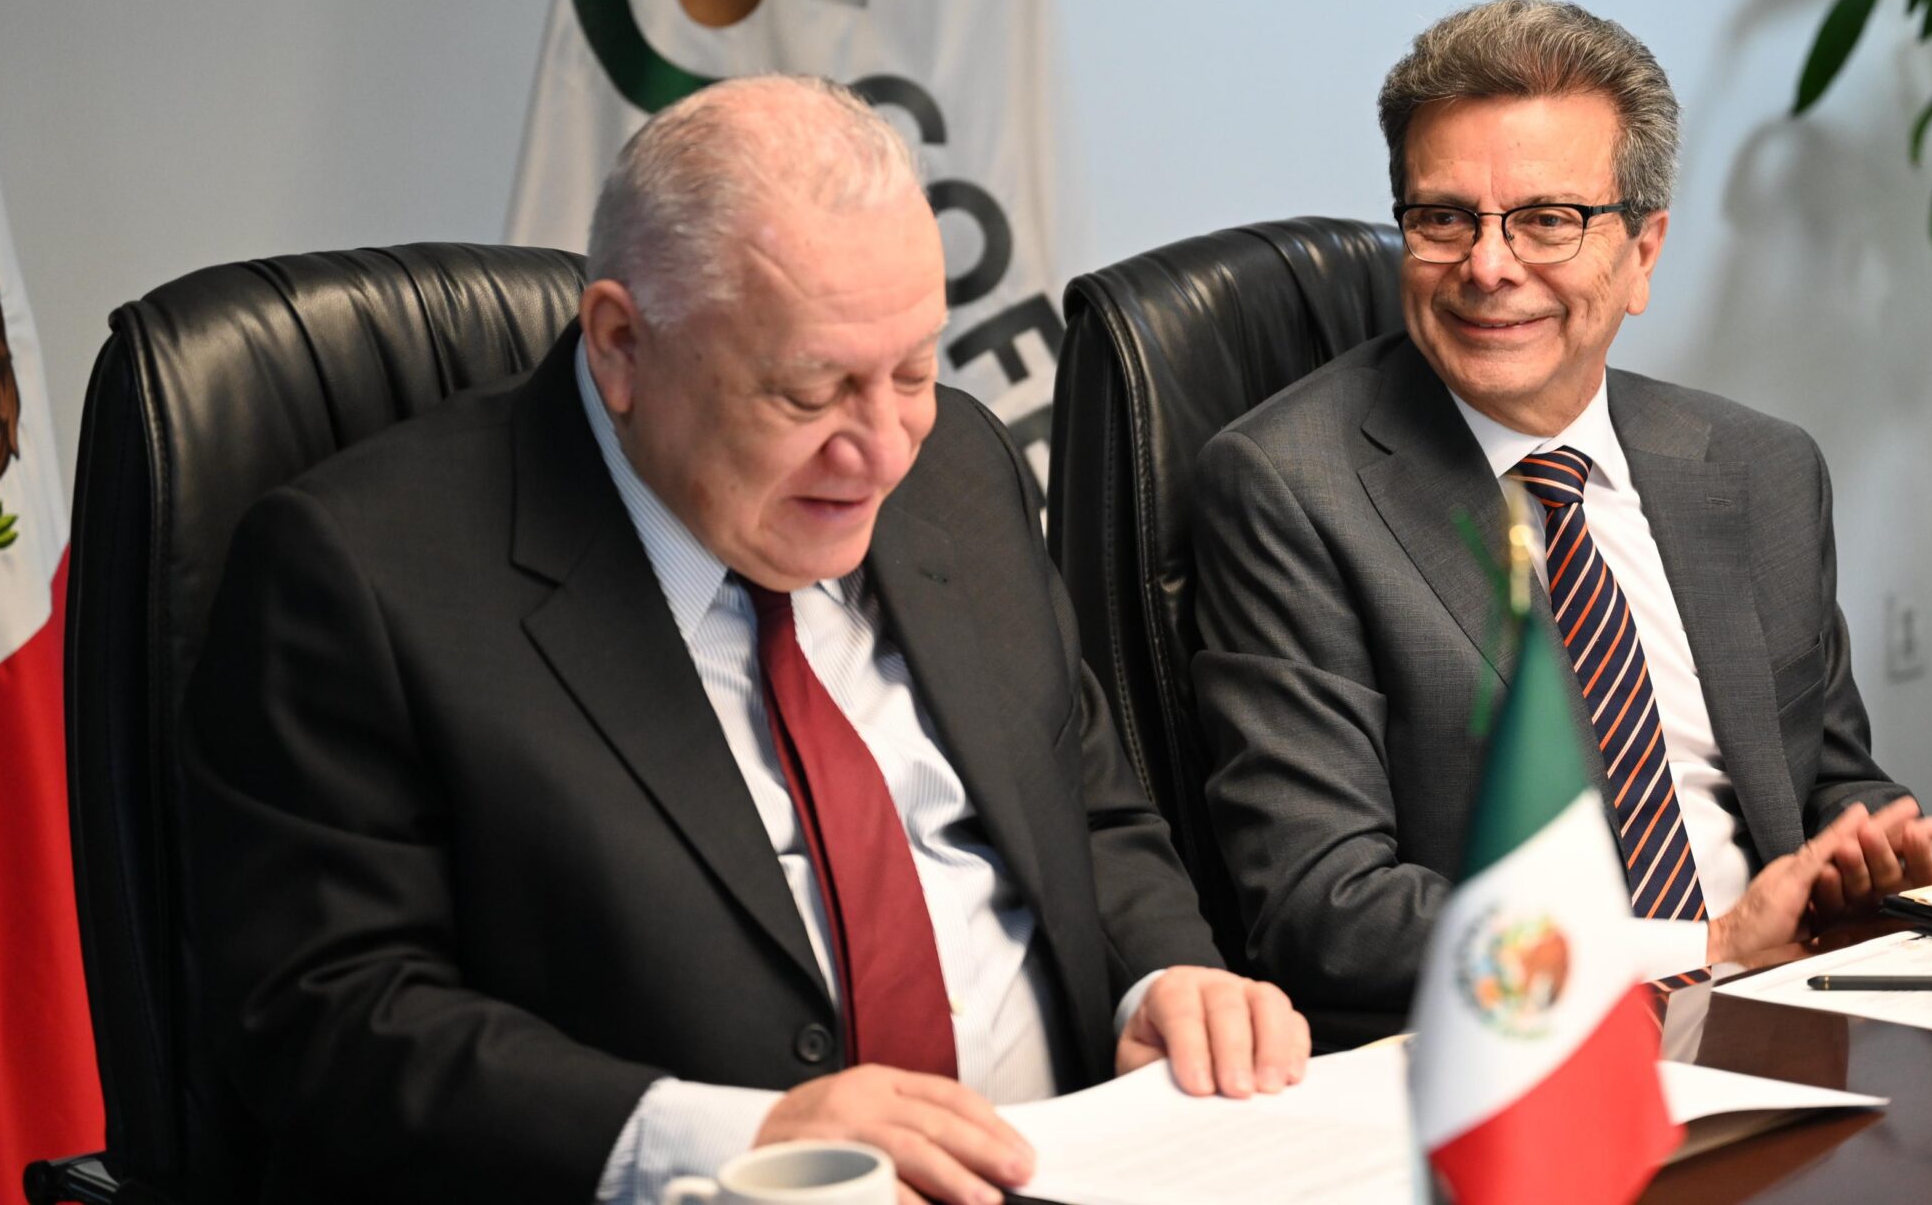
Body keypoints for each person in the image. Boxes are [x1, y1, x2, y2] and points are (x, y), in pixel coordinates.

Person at [183, 76, 1307, 1205]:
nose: (883, 451)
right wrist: (747, 1135)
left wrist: (1163, 977)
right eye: (810, 391)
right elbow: (333, 1015)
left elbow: (1084, 805)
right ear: (622, 345)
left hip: (1072, 1168)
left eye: (914, 370)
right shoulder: (363, 573)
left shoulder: (960, 467)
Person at [1189, 0, 1932, 1025]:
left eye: (1548, 220)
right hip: (1521, 1051)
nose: (1488, 266)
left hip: (1795, 1010)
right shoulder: (1290, 486)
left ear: (1642, 253)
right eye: (1443, 218)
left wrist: (1870, 855)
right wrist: (1704, 947)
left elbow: (1834, 783)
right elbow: (1326, 907)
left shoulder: (1760, 467)